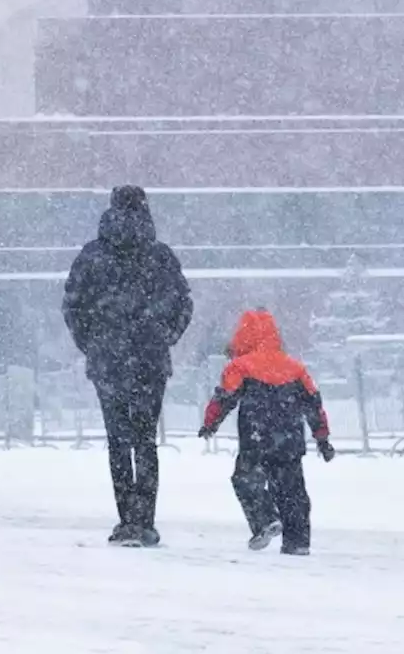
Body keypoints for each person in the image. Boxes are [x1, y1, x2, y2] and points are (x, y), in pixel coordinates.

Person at [63, 185, 194, 547]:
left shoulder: (92, 256)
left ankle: (125, 521)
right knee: (145, 441)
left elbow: (72, 306)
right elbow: (184, 305)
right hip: (150, 361)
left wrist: (92, 344)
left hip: (108, 362)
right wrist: (164, 336)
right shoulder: (160, 256)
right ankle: (145, 521)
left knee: (118, 442)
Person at [198, 309, 335, 555]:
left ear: (243, 336)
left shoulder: (240, 367)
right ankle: (298, 540)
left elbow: (224, 398)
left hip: (256, 436)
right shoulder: (295, 368)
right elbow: (314, 404)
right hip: (290, 439)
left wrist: (210, 423)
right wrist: (322, 437)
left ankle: (264, 519)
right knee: (292, 489)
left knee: (245, 479)